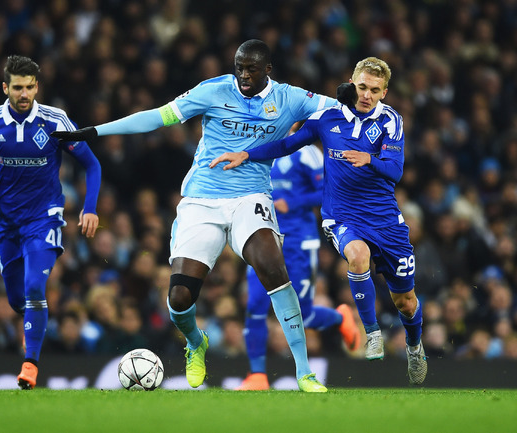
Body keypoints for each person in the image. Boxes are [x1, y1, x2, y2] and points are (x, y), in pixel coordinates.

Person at [52, 39, 337, 392]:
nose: (243, 75)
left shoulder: (291, 99)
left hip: (251, 196)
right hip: (202, 199)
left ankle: (304, 372)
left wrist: (358, 101)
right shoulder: (213, 91)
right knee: (180, 299)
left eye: (251, 68)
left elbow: (343, 110)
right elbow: (156, 117)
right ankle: (195, 342)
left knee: (272, 266)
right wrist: (95, 131)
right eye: (239, 67)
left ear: (268, 70)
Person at [210, 57, 428, 385]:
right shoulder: (327, 118)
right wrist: (248, 154)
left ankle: (414, 345)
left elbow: (395, 171)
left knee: (406, 303)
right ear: (352, 83)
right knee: (357, 257)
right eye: (361, 87)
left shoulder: (391, 121)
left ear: (385, 92)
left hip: (384, 219)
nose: (366, 95)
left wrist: (369, 159)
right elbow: (287, 144)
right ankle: (372, 333)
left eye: (374, 90)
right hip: (342, 215)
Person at [0, 55, 101, 390]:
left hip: (45, 216)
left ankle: (30, 365)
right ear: (5, 87)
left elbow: (92, 165)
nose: (24, 94)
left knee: (35, 287)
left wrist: (90, 207)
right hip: (5, 221)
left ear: (37, 86)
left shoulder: (56, 120)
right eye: (18, 88)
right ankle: (35, 328)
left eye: (30, 87)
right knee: (17, 299)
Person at [238, 138, 360, 390]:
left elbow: (329, 190)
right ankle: (257, 375)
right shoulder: (256, 148)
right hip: (262, 237)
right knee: (255, 305)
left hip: (298, 244)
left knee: (302, 314)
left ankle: (339, 318)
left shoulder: (306, 153)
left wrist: (292, 203)